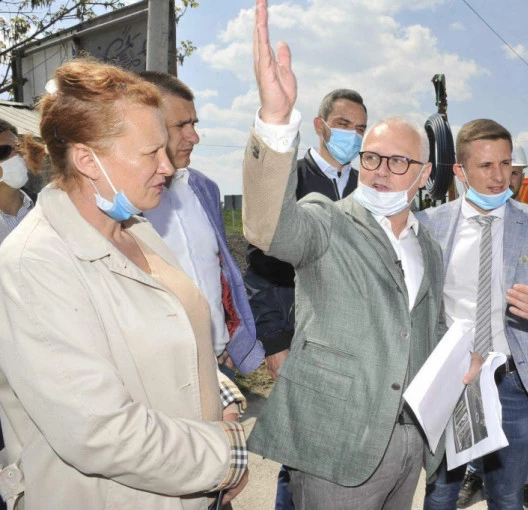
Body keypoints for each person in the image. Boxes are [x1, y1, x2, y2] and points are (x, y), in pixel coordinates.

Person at [244, 2, 481, 508]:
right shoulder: (327, 220)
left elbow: (428, 328)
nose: (379, 171)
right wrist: (276, 122)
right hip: (336, 442)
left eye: (398, 162)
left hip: (407, 443)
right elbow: (267, 228)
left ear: (424, 175)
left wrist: (466, 358)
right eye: (371, 158)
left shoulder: (427, 245)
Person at [0, 58, 249, 509]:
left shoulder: (136, 229)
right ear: (87, 160)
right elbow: (99, 431)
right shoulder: (33, 264)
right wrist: (226, 456)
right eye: (150, 153)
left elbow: (171, 337)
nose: (167, 166)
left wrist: (222, 396)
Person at [419, 119, 528, 510]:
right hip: (451, 378)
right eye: (485, 166)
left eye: (505, 163)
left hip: (512, 385)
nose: (500, 177)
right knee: (440, 493)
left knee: (508, 496)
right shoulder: (430, 226)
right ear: (460, 171)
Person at [243, 87, 366, 510]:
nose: (353, 135)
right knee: (300, 455)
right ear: (320, 125)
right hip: (301, 339)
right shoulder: (290, 178)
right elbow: (259, 265)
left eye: (361, 129)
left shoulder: (366, 188)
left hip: (353, 342)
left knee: (348, 449)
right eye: (344, 124)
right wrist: (274, 341)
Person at [139, 71, 264, 377]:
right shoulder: (126, 202)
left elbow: (220, 272)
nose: (194, 136)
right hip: (163, 375)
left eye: (194, 124)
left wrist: (230, 338)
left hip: (219, 365)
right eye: (181, 125)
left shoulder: (204, 189)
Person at [454, 141, 528, 510]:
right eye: (497, 167)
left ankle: (519, 483)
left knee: (511, 467)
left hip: (512, 367)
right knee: (470, 431)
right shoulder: (450, 223)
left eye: (514, 171)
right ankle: (475, 474)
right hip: (464, 363)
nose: (505, 177)